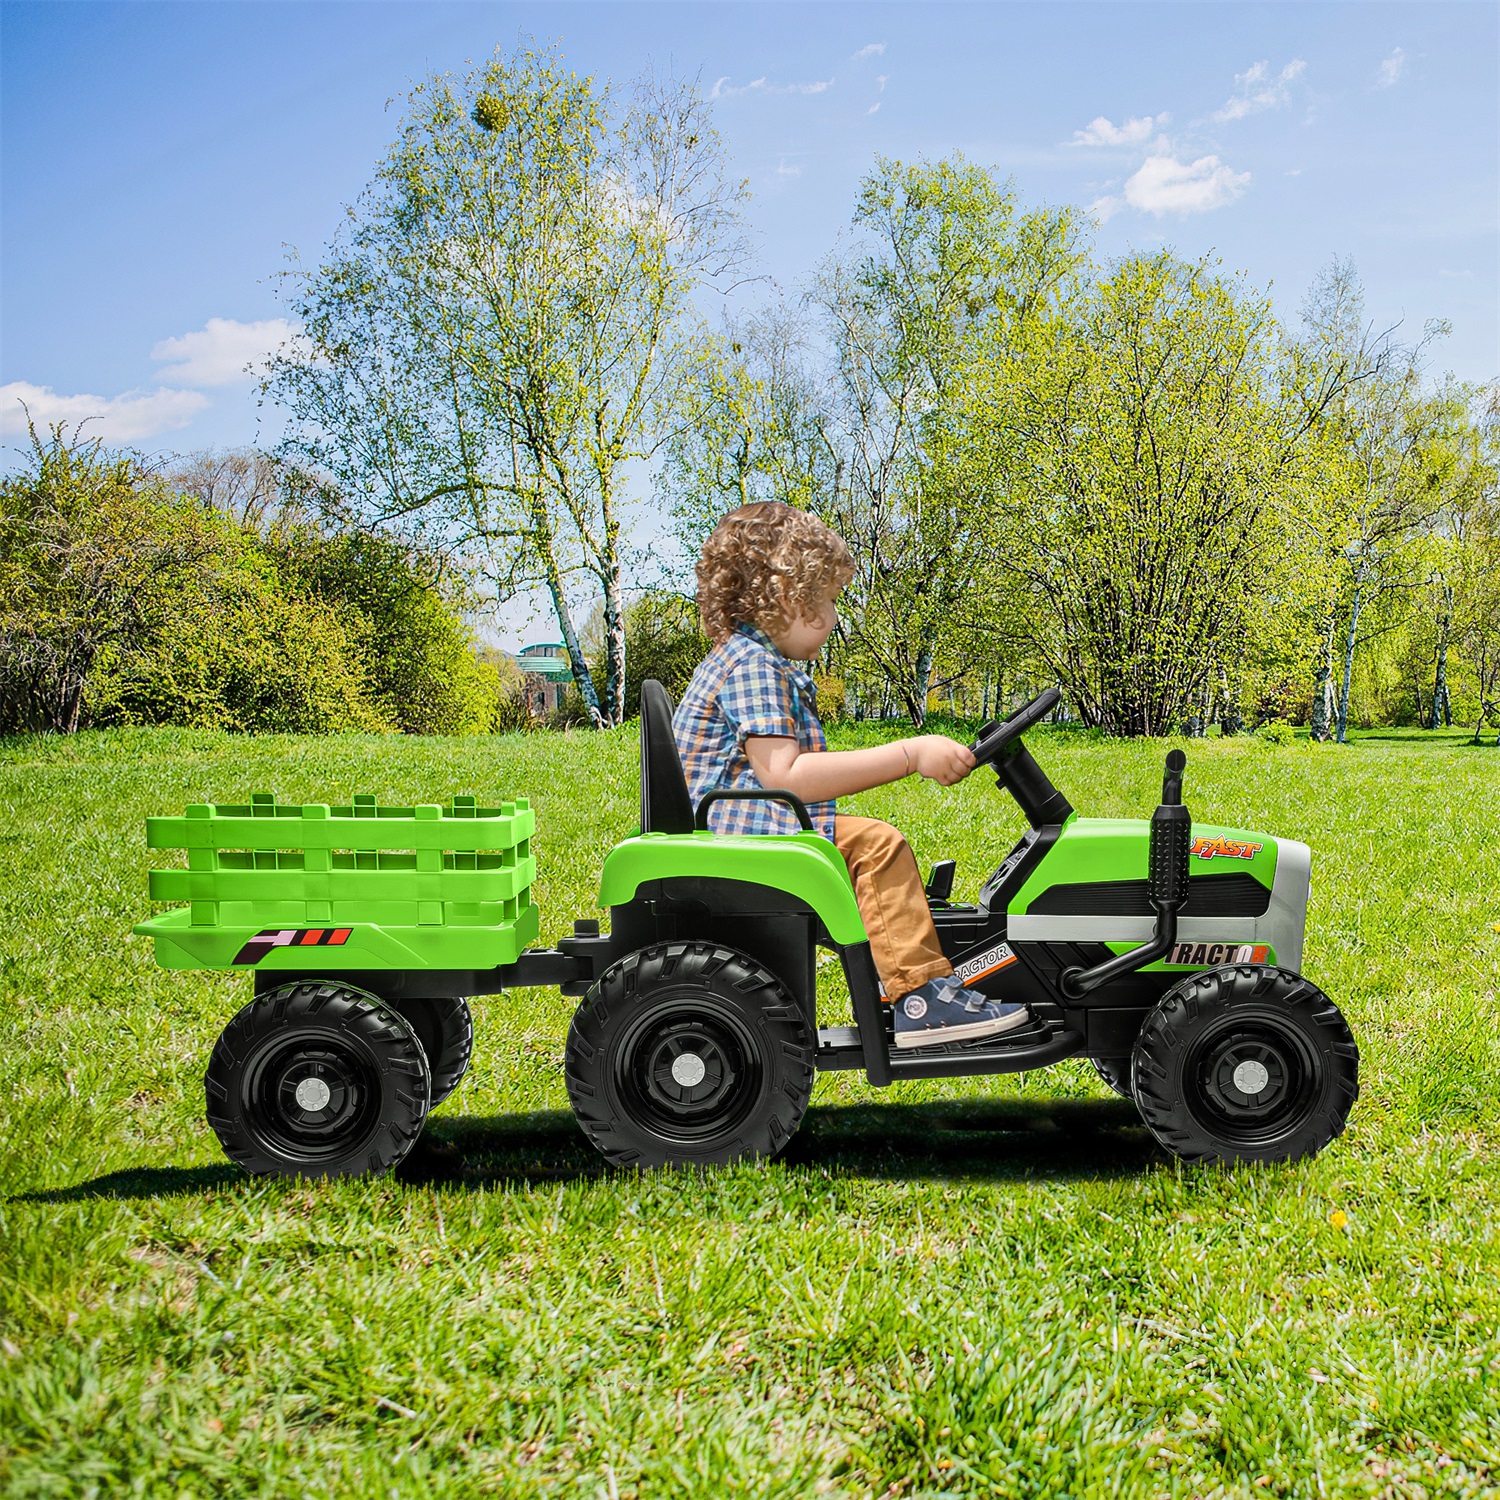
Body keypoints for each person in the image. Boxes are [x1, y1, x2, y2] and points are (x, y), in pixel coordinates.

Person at [672, 501, 1031, 1049]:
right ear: (787, 598)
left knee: (869, 840)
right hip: (745, 837)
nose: (836, 617)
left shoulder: (745, 658)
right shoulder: (752, 666)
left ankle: (918, 977)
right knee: (878, 846)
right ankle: (920, 996)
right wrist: (909, 755)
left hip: (741, 826)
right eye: (830, 602)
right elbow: (785, 778)